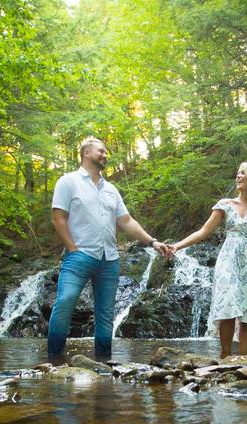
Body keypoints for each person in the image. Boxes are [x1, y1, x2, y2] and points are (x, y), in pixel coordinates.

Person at [48, 137, 171, 360]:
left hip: (110, 259)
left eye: (106, 152)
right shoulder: (68, 182)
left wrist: (153, 242)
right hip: (79, 256)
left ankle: (104, 363)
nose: (105, 155)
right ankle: (54, 360)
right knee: (65, 301)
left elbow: (126, 221)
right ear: (86, 153)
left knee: (105, 315)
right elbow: (58, 218)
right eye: (101, 151)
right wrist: (72, 248)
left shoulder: (111, 189)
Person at [168, 162, 247, 358]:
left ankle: (243, 358)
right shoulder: (225, 205)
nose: (238, 176)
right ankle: (225, 356)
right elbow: (204, 232)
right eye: (237, 173)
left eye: (243, 173)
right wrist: (176, 246)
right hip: (227, 260)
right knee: (226, 305)